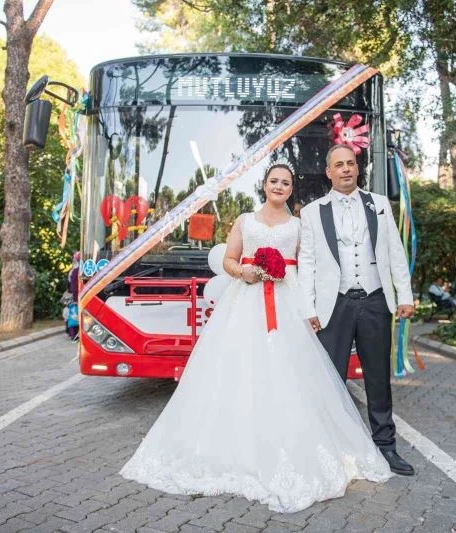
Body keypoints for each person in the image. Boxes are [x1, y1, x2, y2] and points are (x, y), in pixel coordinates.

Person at [120, 162, 392, 513]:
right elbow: (229, 260)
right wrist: (244, 272)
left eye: (286, 183)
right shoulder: (245, 221)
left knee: (293, 372)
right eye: (274, 181)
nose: (279, 186)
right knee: (239, 367)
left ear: (291, 189)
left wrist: (310, 306)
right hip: (245, 303)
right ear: (264, 185)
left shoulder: (300, 225)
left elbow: (308, 265)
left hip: (288, 303)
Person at [298, 144, 416, 476]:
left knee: (378, 378)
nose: (346, 169)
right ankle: (331, 451)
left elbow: (395, 251)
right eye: (339, 164)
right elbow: (307, 264)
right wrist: (308, 307)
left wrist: (405, 295)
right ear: (329, 172)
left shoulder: (379, 204)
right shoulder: (313, 212)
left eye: (350, 163)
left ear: (357, 167)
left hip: (376, 300)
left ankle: (386, 447)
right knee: (330, 379)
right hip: (333, 303)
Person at [65, 252, 80, 341]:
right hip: (75, 296)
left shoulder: (73, 270)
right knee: (74, 314)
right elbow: (73, 285)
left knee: (72, 314)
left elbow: (70, 284)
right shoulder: (78, 270)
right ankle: (74, 334)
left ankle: (71, 333)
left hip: (73, 295)